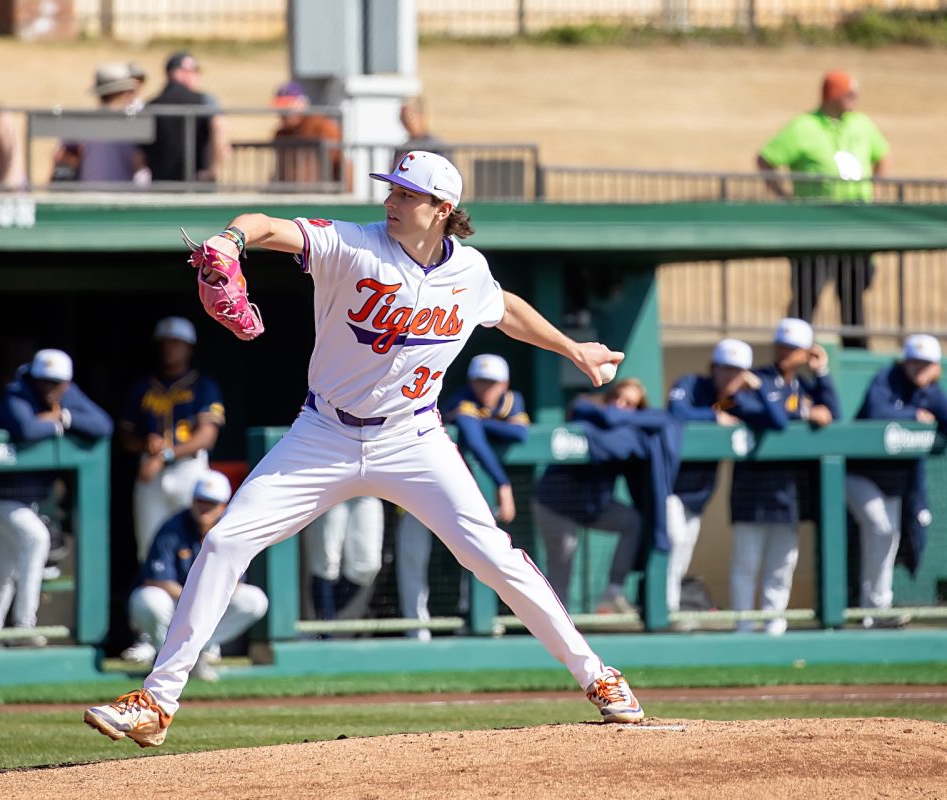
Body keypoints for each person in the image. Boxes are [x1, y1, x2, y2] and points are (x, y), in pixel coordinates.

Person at [84, 150, 644, 749]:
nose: (391, 201)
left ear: (443, 210)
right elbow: (268, 226)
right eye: (392, 190)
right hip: (322, 433)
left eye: (407, 194)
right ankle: (157, 701)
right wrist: (229, 240)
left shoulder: (470, 272)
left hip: (413, 438)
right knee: (224, 540)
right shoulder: (351, 244)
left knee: (492, 555)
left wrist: (574, 350)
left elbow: (503, 308)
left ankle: (599, 676)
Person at [0, 349, 113, 652]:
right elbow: (26, 427)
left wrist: (64, 416)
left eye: (55, 383)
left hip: (25, 499)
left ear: (65, 383)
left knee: (2, 565)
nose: (49, 388)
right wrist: (55, 424)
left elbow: (103, 424)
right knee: (36, 539)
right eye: (44, 381)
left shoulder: (67, 394)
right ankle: (25, 624)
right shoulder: (18, 391)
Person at [396, 353, 529, 641]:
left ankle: (471, 620)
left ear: (504, 383)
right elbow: (473, 437)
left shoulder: (511, 400)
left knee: (479, 553)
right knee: (413, 556)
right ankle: (415, 629)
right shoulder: (460, 399)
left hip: (460, 495)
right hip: (422, 488)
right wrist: (503, 484)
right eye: (481, 381)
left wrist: (481, 422)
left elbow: (521, 434)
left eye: (492, 382)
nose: (485, 388)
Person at [757, 71, 891, 349]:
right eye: (849, 93)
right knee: (807, 295)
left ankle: (857, 353)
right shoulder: (802, 127)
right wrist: (784, 196)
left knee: (853, 296)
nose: (855, 99)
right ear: (833, 95)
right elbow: (766, 159)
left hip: (857, 228)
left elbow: (882, 155)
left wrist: (876, 191)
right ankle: (791, 353)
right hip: (815, 230)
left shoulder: (863, 125)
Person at [666, 338, 790, 631]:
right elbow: (675, 412)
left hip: (698, 495)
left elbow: (779, 421)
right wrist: (712, 416)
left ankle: (669, 611)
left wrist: (758, 387)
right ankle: (666, 614)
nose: (731, 377)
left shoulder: (740, 401)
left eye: (738, 371)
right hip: (669, 486)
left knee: (682, 552)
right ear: (714, 368)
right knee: (673, 543)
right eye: (726, 370)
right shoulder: (692, 384)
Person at [728, 319, 838, 635]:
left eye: (793, 348)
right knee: (745, 564)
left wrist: (822, 373)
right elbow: (747, 409)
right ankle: (743, 627)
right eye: (781, 346)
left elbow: (835, 414)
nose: (785, 353)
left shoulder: (804, 384)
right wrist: (803, 413)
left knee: (782, 565)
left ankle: (774, 625)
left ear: (806, 352)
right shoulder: (756, 378)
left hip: (788, 491)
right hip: (751, 488)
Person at [122, 470, 268, 681]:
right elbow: (157, 579)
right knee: (148, 599)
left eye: (211, 502)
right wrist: (194, 599)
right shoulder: (173, 527)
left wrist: (207, 603)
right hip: (174, 603)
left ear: (223, 505)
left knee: (254, 600)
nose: (204, 507)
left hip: (208, 605)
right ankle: (168, 657)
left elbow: (236, 581)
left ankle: (196, 650)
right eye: (200, 501)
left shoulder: (230, 529)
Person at [847, 334, 946, 628]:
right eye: (914, 362)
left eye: (926, 364)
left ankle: (876, 609)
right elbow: (877, 412)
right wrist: (914, 414)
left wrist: (930, 394)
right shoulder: (886, 378)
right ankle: (874, 607)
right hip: (859, 475)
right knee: (881, 530)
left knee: (889, 539)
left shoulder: (930, 390)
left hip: (893, 483)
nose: (919, 369)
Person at [533, 380, 648, 615]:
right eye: (617, 397)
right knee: (561, 572)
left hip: (593, 505)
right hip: (557, 504)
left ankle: (613, 593)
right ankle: (554, 625)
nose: (620, 404)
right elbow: (587, 409)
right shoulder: (587, 408)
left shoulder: (629, 428)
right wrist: (621, 416)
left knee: (632, 521)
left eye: (629, 404)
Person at [120, 317, 225, 564]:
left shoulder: (203, 386)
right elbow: (126, 436)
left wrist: (164, 454)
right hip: (151, 471)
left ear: (189, 347)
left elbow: (207, 436)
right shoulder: (142, 387)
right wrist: (146, 443)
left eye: (177, 343)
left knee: (198, 541)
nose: (170, 348)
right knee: (148, 545)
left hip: (189, 469)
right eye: (165, 343)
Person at [53, 64, 149, 187]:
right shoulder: (133, 126)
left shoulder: (81, 125)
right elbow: (139, 163)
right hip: (124, 200)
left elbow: (63, 163)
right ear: (124, 92)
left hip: (89, 199)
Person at [142, 51, 229, 183]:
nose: (196, 77)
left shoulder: (150, 105)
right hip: (197, 182)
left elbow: (138, 154)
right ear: (177, 73)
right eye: (193, 72)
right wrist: (213, 171)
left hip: (160, 186)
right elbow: (220, 130)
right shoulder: (205, 100)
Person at [304, 496, 384, 623]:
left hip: (369, 489)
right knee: (326, 562)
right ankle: (324, 631)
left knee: (367, 567)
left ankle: (325, 621)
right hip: (333, 487)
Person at [272, 81, 351, 188]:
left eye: (287, 108)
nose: (283, 114)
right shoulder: (282, 135)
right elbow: (282, 170)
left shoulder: (321, 127)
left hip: (320, 196)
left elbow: (340, 163)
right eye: (281, 109)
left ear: (302, 105)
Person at [393, 96, 451, 169]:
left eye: (409, 117)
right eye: (402, 117)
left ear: (421, 116)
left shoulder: (437, 147)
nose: (405, 122)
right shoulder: (402, 149)